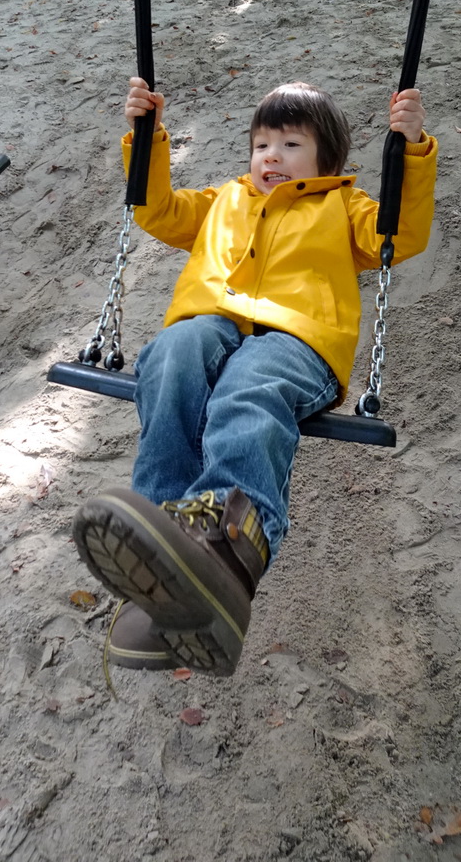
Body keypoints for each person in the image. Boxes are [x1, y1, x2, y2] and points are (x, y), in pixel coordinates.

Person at [72, 76, 438, 677]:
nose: (272, 155)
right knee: (169, 355)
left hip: (297, 343)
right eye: (262, 143)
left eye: (291, 144)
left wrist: (413, 148)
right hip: (212, 325)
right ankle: (165, 538)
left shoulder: (344, 207)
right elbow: (155, 209)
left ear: (327, 160)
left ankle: (230, 543)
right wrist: (147, 136)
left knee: (248, 387)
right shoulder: (222, 200)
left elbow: (400, 234)